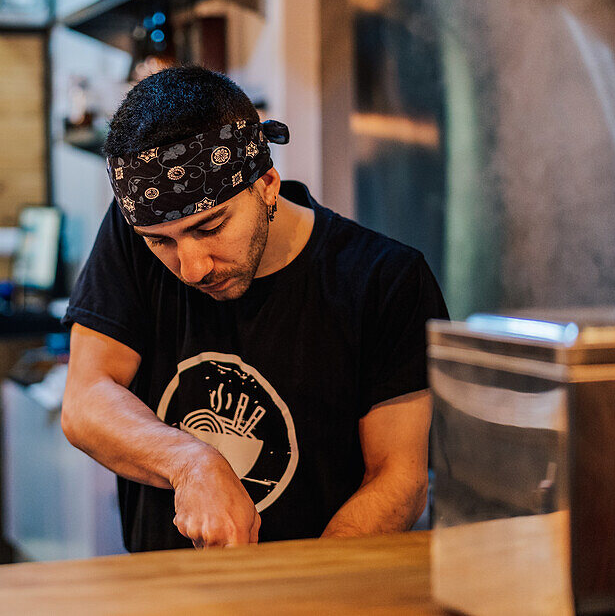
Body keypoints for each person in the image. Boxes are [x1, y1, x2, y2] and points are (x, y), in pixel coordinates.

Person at [61, 66, 449, 552]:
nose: (192, 267)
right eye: (162, 241)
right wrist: (192, 461)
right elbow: (85, 399)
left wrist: (301, 591)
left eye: (210, 227)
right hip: (165, 594)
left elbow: (400, 479)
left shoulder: (385, 281)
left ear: (266, 182)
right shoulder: (128, 238)